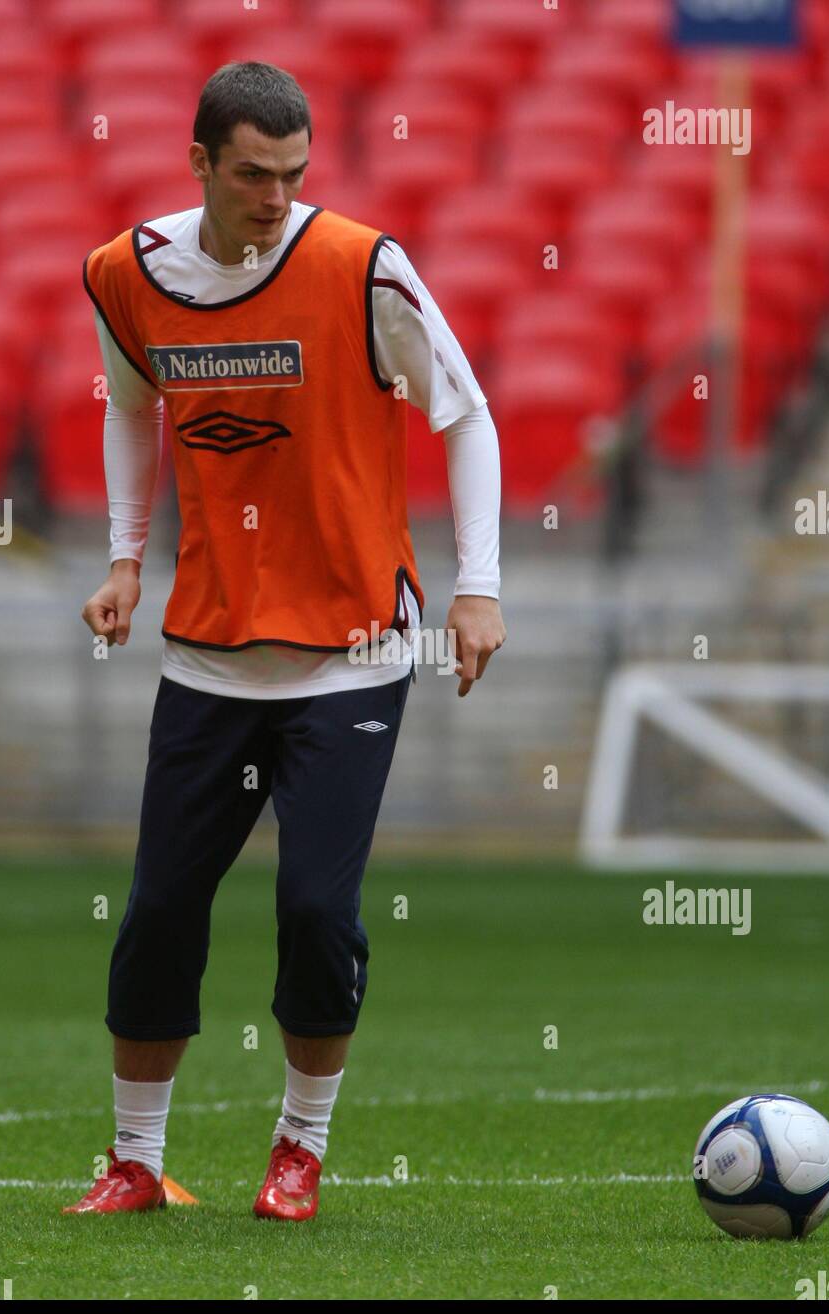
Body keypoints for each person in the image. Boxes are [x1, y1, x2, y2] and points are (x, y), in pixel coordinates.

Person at [66, 61, 505, 1220]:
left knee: (316, 909)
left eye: (293, 174)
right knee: (160, 908)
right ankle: (132, 1161)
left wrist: (478, 587)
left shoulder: (362, 267)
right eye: (251, 174)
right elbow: (127, 405)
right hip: (207, 651)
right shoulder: (126, 274)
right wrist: (123, 560)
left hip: (354, 646)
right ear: (199, 162)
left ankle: (298, 1148)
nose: (275, 196)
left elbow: (466, 416)